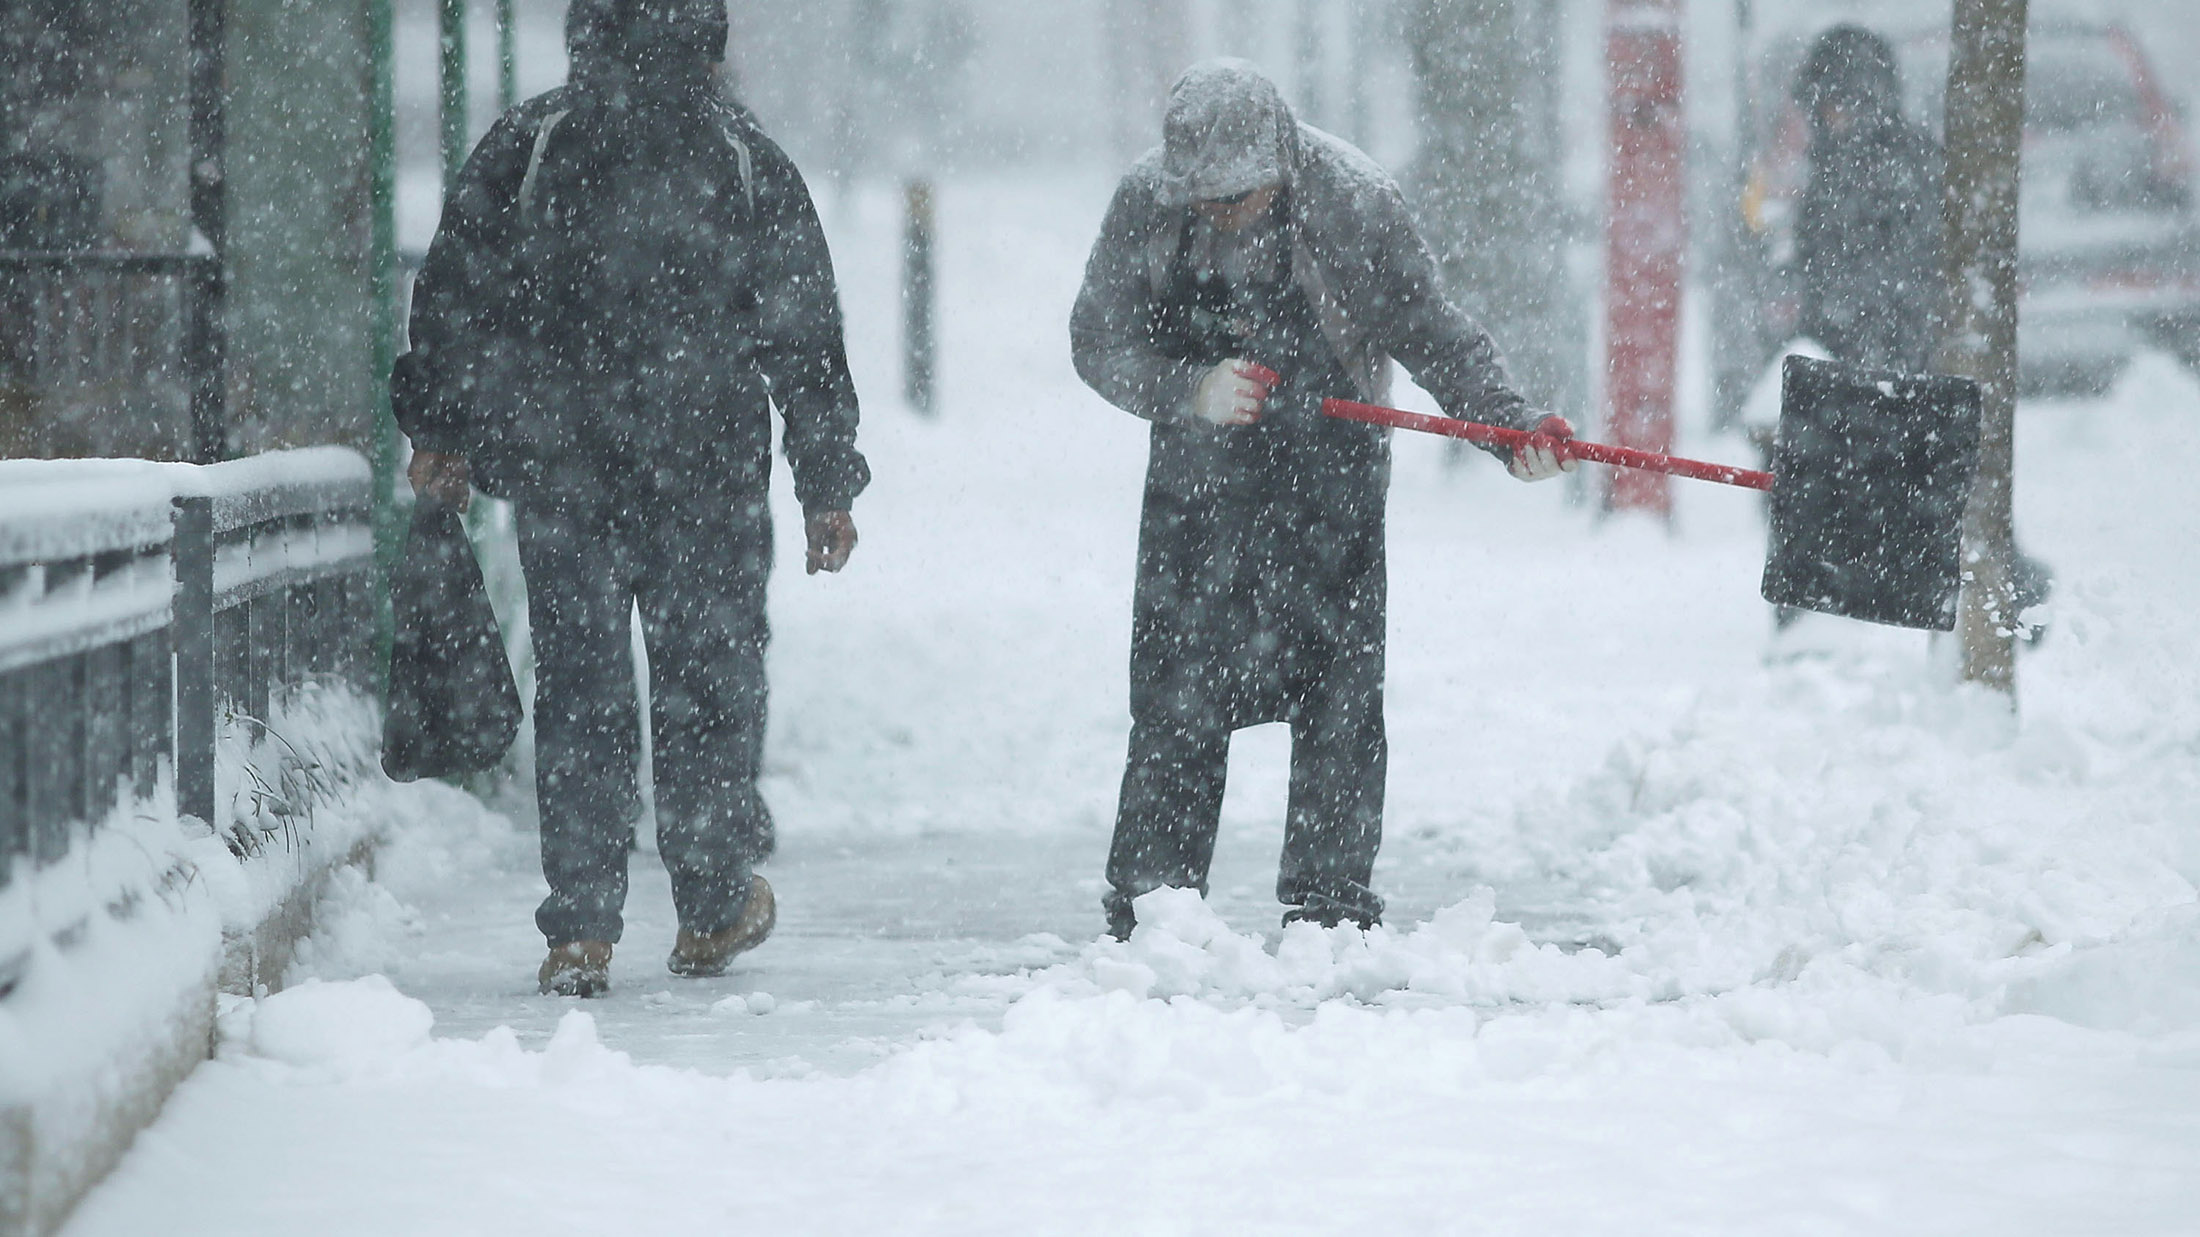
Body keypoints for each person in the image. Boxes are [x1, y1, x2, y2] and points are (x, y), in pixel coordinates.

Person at [390, 0, 869, 997]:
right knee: (708, 685)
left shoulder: (533, 144)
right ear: (712, 40)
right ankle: (709, 906)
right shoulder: (742, 158)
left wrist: (438, 426)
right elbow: (802, 327)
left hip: (566, 472)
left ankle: (579, 927)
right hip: (707, 478)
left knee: (583, 694)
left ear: (583, 33)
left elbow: (454, 289)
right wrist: (825, 481)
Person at [1070, 59, 1572, 940]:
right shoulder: (1147, 204)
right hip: (1195, 489)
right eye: (1204, 199)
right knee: (1177, 689)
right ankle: (1154, 895)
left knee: (1339, 689)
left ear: (1280, 160)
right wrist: (1189, 387)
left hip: (1327, 481)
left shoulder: (1353, 204)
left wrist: (1506, 428)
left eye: (1238, 197)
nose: (1218, 215)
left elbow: (1434, 332)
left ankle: (1329, 899)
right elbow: (1097, 340)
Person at [1791, 24, 1943, 376]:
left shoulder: (1890, 170)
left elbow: (1902, 276)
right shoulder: (1838, 166)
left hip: (1881, 370)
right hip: (1856, 364)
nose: (1823, 117)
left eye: (1832, 104)